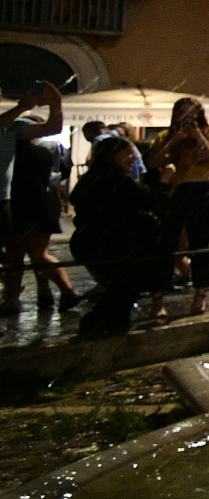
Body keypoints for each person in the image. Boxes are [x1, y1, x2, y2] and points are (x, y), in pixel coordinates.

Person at [71, 135, 170, 335]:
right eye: (127, 155)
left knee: (122, 288)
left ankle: (107, 326)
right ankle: (100, 325)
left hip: (93, 242)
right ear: (113, 156)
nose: (132, 159)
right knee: (125, 287)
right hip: (114, 244)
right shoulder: (115, 179)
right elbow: (148, 202)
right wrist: (163, 183)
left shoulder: (93, 178)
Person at [4, 84, 82, 314]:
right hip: (39, 205)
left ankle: (13, 297)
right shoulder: (40, 152)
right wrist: (55, 102)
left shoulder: (12, 149)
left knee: (15, 255)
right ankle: (58, 291)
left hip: (18, 205)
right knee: (38, 254)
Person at [150, 97, 209, 315]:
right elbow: (153, 162)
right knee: (164, 245)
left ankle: (200, 294)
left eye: (191, 113)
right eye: (182, 113)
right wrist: (174, 139)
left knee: (200, 245)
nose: (186, 117)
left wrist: (197, 135)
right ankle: (158, 299)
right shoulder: (166, 136)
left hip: (201, 190)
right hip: (173, 192)